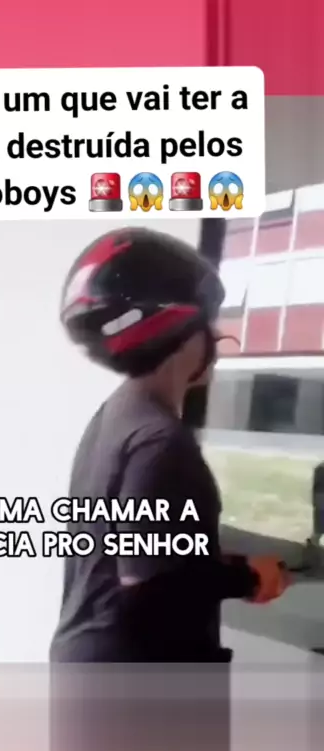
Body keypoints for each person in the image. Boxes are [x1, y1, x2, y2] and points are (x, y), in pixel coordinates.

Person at [49, 226, 291, 665]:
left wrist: (229, 563)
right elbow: (148, 587)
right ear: (178, 326)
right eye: (207, 322)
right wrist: (247, 579)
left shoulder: (117, 416)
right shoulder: (161, 439)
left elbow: (151, 548)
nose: (215, 338)